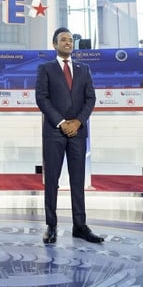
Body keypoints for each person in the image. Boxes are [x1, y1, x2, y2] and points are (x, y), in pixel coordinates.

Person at [36, 27, 103, 244]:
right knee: (52, 181)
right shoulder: (45, 69)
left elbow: (90, 99)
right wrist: (62, 122)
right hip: (54, 132)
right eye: (63, 40)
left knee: (78, 180)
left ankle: (80, 226)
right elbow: (42, 99)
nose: (68, 42)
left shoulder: (84, 69)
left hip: (78, 133)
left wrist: (77, 122)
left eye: (70, 40)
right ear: (55, 44)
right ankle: (51, 226)